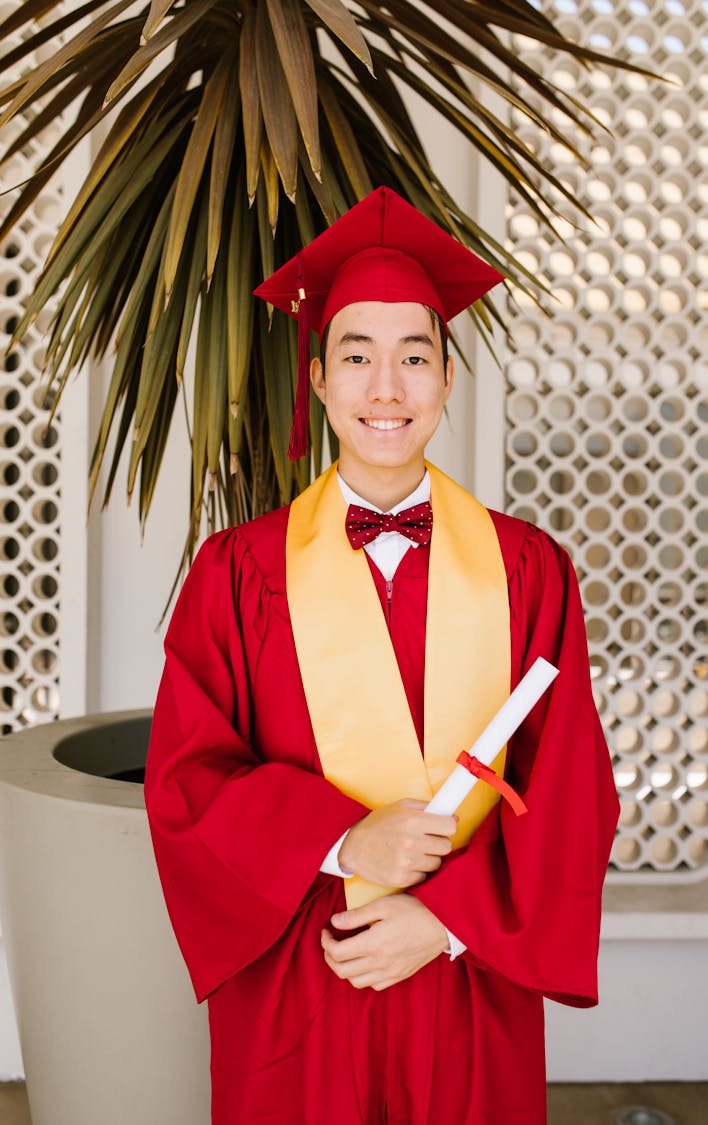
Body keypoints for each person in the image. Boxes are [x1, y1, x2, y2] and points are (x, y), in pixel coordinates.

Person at [144, 185, 620, 1125]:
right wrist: (343, 836)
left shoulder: (527, 570)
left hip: (466, 978)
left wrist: (446, 921)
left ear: (447, 379)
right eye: (357, 357)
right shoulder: (239, 572)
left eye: (415, 357)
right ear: (318, 379)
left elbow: (571, 785)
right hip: (307, 968)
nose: (387, 389)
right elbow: (187, 779)